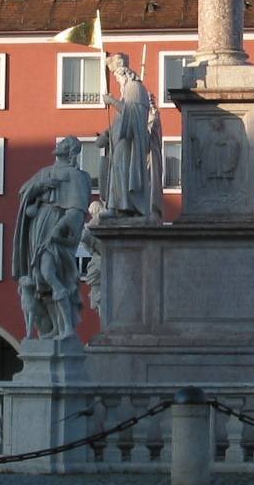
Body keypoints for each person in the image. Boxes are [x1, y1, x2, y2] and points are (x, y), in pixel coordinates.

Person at [13, 137, 94, 340]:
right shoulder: (43, 173)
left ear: (70, 151)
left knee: (51, 275)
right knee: (42, 280)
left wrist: (59, 228)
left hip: (53, 232)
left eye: (65, 143)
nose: (59, 145)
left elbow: (76, 210)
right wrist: (40, 186)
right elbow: (23, 193)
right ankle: (56, 327)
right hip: (37, 231)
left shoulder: (76, 176)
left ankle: (67, 328)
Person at [97, 53, 155, 218]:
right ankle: (116, 206)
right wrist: (109, 133)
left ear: (124, 73)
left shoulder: (134, 88)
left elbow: (132, 113)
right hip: (120, 140)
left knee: (123, 171)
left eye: (116, 76)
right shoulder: (127, 90)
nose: (117, 81)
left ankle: (124, 206)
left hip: (129, 141)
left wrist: (112, 102)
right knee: (117, 171)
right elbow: (124, 115)